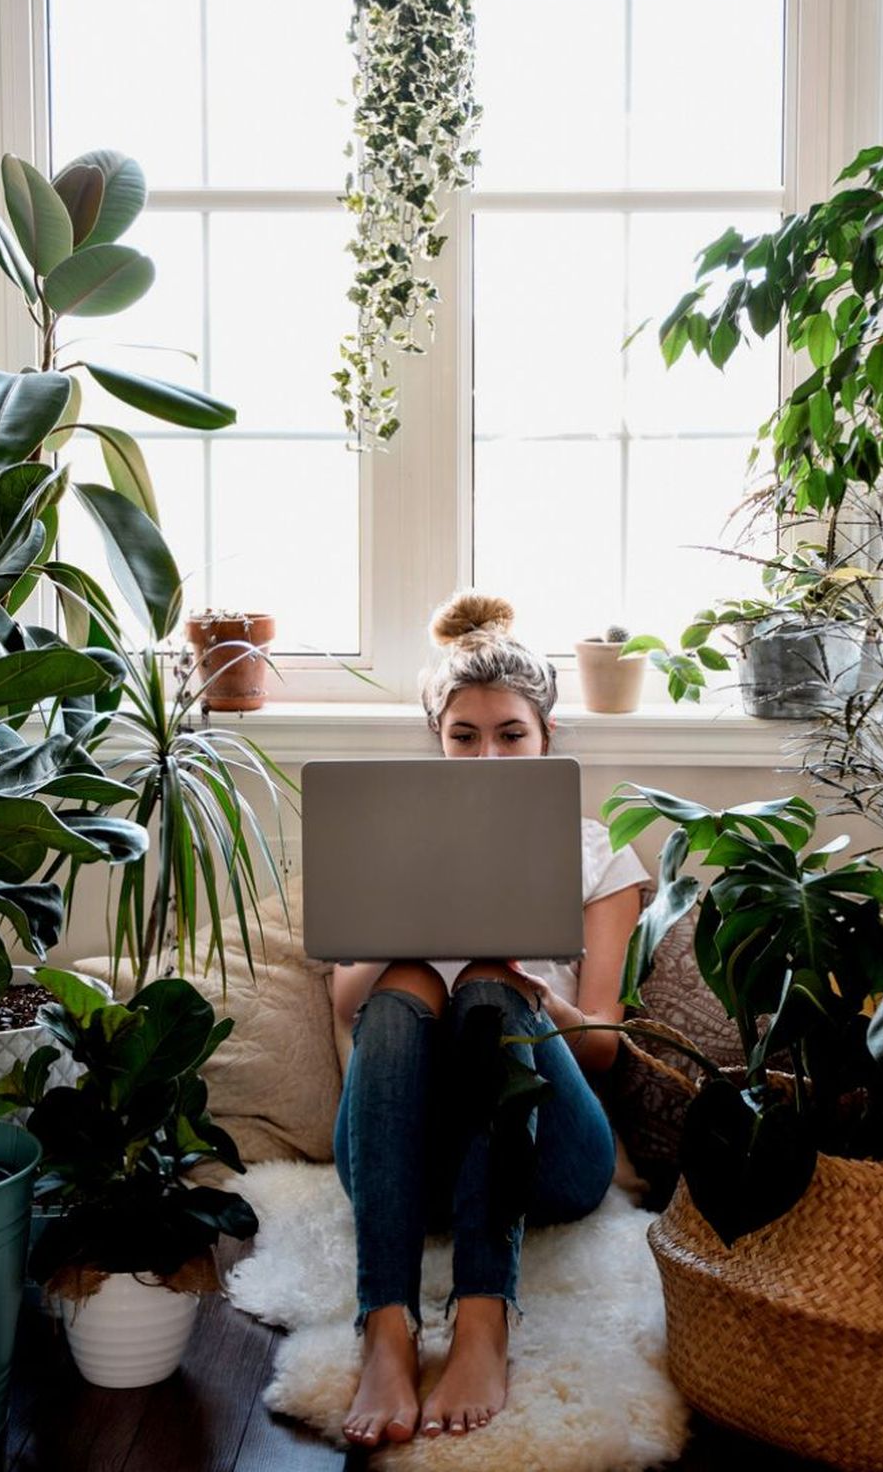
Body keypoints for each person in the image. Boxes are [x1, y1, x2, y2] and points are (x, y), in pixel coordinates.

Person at [330, 591, 649, 1446]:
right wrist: (412, 932)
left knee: (486, 986)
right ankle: (387, 1329)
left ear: (546, 739)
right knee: (405, 983)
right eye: (464, 737)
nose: (487, 756)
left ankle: (482, 1318)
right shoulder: (399, 845)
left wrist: (528, 986)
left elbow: (609, 1051)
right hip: (402, 1162)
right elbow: (347, 1010)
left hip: (549, 1158)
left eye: (511, 734)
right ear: (437, 743)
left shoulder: (597, 858)